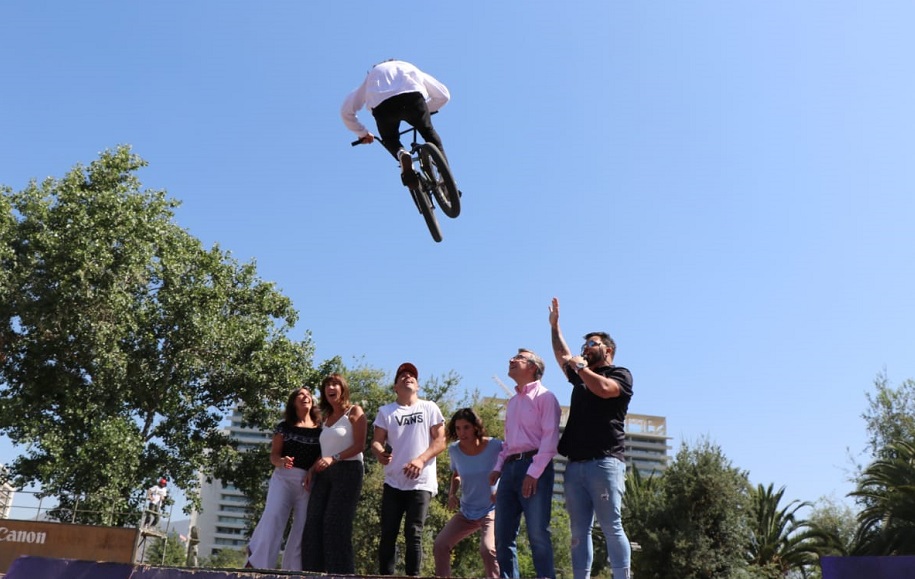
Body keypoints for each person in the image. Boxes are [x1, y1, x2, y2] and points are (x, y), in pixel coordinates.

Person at [549, 297, 634, 579]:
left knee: (611, 526)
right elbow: (563, 357)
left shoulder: (619, 374)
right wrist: (555, 326)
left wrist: (581, 368)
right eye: (585, 344)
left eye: (592, 344)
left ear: (608, 350)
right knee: (577, 531)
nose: (586, 348)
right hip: (575, 464)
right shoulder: (582, 375)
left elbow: (604, 390)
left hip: (605, 463)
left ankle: (622, 575)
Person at [488, 349, 560, 579]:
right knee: (502, 536)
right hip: (509, 470)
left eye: (518, 358)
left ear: (533, 367)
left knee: (538, 533)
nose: (511, 360)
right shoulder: (512, 402)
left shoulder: (546, 398)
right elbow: (509, 443)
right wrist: (498, 469)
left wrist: (534, 472)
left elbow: (550, 439)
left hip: (534, 467)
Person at [371, 362, 446, 576]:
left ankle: (413, 575)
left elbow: (440, 441)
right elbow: (376, 442)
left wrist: (421, 460)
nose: (407, 377)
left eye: (412, 375)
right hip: (393, 481)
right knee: (388, 533)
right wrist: (379, 452)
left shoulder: (429, 407)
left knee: (414, 532)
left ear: (418, 386)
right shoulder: (386, 411)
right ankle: (386, 575)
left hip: (421, 482)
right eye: (402, 375)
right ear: (395, 386)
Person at [245, 387, 322, 570]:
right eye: (300, 395)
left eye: (308, 394)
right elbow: (274, 456)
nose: (305, 397)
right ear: (293, 402)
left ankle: (293, 570)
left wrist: (312, 470)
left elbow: (324, 453)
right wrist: (282, 461)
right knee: (274, 518)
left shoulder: (321, 428)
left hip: (307, 481)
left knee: (302, 528)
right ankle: (258, 565)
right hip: (283, 478)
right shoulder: (284, 427)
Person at [342, 59, 450, 185]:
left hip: (383, 109)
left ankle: (402, 153)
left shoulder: (372, 76)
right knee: (428, 133)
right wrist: (426, 109)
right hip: (412, 100)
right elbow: (443, 95)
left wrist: (363, 133)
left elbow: (346, 111)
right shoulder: (406, 65)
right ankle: (447, 181)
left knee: (390, 139)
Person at [302, 373, 366, 574]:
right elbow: (325, 451)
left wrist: (335, 457)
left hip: (348, 470)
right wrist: (311, 470)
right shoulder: (325, 418)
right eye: (327, 385)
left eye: (335, 384)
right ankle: (312, 573)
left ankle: (341, 574)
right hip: (324, 472)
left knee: (335, 524)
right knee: (313, 523)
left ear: (343, 388)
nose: (331, 387)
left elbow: (359, 445)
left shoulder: (354, 411)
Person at [434, 408, 502, 578]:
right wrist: (451, 494)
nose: (462, 433)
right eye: (458, 428)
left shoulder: (495, 446)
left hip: (490, 508)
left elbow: (507, 470)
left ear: (475, 428)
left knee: (488, 549)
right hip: (467, 510)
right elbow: (456, 475)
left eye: (466, 427)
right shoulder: (454, 450)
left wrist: (500, 490)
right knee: (440, 544)